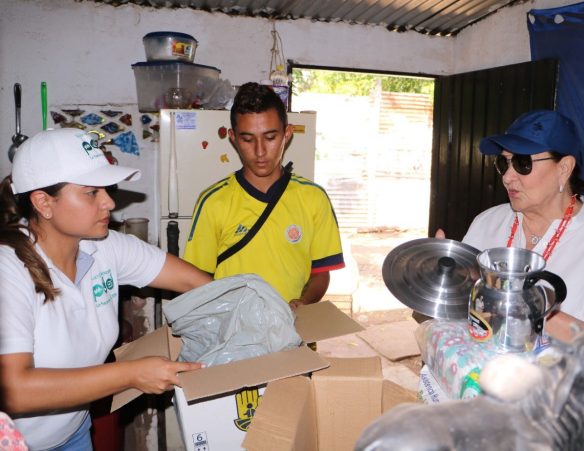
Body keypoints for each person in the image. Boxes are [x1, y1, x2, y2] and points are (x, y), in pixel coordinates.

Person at [0, 128, 213, 450]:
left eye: (107, 189)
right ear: (43, 202)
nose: (109, 202)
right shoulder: (7, 268)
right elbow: (14, 390)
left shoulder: (105, 247)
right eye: (91, 192)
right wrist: (130, 374)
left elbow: (199, 283)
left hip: (71, 430)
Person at [438, 109, 584, 340]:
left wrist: (533, 309)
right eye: (503, 163)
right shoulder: (487, 222)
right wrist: (444, 278)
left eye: (522, 163)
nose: (507, 177)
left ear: (564, 168)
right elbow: (461, 309)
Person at [183, 82, 345, 310]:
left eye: (270, 137)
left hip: (295, 333)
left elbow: (320, 273)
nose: (260, 151)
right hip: (233, 338)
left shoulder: (313, 198)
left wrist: (304, 302)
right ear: (233, 138)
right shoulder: (213, 202)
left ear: (286, 135)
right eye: (248, 139)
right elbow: (196, 280)